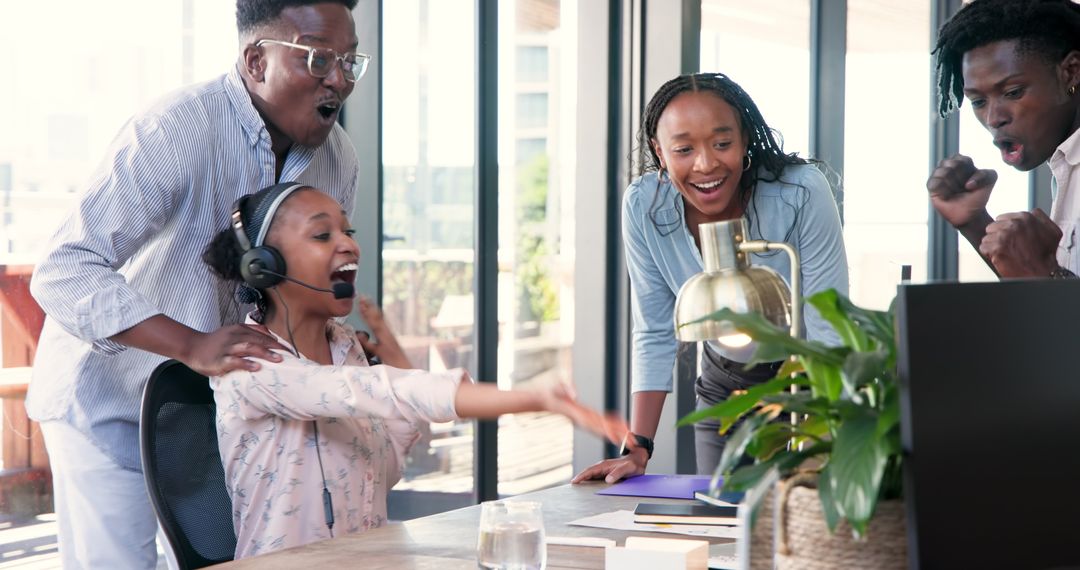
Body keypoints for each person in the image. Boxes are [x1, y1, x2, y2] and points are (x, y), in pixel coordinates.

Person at [27, 1, 366, 567]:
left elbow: (307, 291)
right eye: (319, 59)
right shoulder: (177, 126)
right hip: (110, 401)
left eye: (351, 62)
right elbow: (65, 268)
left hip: (213, 413)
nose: (339, 79)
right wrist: (191, 344)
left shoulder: (339, 159)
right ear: (256, 60)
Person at [202, 182, 630, 558]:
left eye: (348, 231)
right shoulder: (248, 361)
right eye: (321, 234)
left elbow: (382, 470)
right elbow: (368, 390)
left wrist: (392, 354)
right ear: (265, 265)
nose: (349, 244)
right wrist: (536, 397)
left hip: (365, 560)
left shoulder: (347, 348)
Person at [572, 72, 848, 484]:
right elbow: (654, 329)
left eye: (723, 144)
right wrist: (638, 446)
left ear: (745, 139)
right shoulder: (645, 205)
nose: (706, 164)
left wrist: (826, 427)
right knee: (723, 522)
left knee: (802, 520)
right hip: (727, 379)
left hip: (809, 375)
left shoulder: (801, 191)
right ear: (659, 152)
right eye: (683, 149)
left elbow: (830, 321)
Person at [927, 0, 1080, 278]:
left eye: (1013, 92)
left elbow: (1049, 288)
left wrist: (1046, 274)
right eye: (978, 101)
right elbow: (1048, 298)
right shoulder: (1067, 165)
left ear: (1070, 71)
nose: (993, 118)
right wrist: (974, 223)